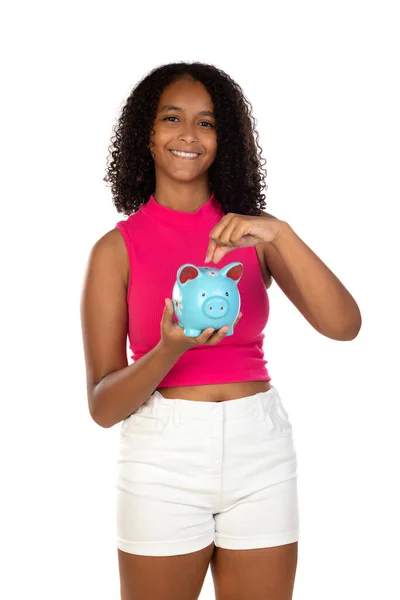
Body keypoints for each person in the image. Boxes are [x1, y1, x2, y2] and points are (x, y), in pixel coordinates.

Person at [80, 62, 362, 600]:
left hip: (261, 450)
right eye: (172, 118)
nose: (188, 134)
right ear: (147, 133)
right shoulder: (115, 250)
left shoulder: (254, 235)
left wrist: (281, 232)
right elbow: (102, 406)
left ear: (223, 139)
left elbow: (344, 325)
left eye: (207, 123)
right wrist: (168, 350)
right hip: (163, 459)